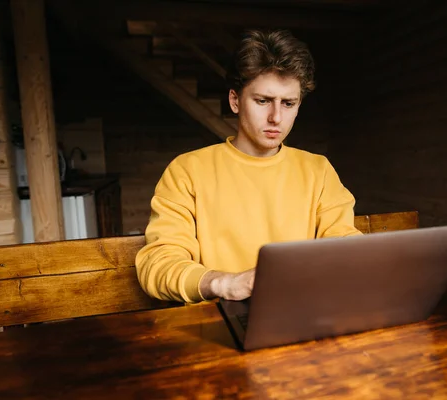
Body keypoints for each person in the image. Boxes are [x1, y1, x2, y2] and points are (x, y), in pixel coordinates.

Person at [135, 29, 361, 304]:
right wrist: (223, 282)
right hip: (217, 321)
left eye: (288, 103)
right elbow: (157, 264)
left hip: (301, 313)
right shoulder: (187, 171)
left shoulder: (318, 170)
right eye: (263, 101)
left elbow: (344, 245)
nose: (276, 117)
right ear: (235, 101)